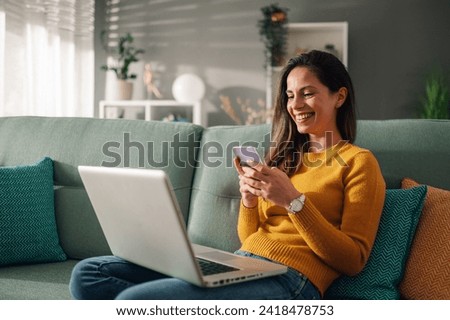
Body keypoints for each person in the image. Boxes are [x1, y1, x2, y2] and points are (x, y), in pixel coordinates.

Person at [69, 50, 386, 300]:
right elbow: (250, 240)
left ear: (339, 96)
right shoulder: (283, 159)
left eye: (307, 93)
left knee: (135, 302)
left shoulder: (358, 162)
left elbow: (353, 259)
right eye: (290, 95)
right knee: (89, 274)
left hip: (293, 282)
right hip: (244, 264)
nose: (295, 104)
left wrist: (295, 202)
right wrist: (249, 201)